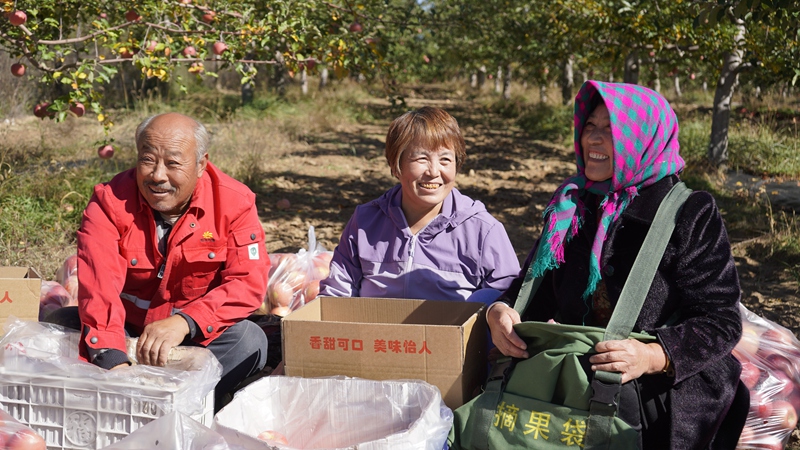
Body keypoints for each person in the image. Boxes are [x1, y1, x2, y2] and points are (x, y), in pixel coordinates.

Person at [486, 82, 747, 449]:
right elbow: (534, 288)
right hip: (575, 372)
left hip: (657, 389)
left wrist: (654, 355)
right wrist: (501, 312)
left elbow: (721, 320)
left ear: (643, 139)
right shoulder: (571, 206)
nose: (593, 140)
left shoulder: (689, 212)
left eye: (611, 131)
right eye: (590, 127)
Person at [45, 112, 270, 410]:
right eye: (148, 160)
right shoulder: (110, 201)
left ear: (201, 164)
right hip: (125, 334)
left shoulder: (234, 202)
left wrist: (185, 322)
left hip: (191, 340)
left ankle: (185, 405)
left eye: (174, 163)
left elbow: (247, 283)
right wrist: (112, 358)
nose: (158, 175)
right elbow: (99, 285)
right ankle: (133, 400)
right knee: (60, 326)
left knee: (249, 340)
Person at [320, 106, 520, 305]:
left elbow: (508, 297)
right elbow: (337, 291)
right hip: (376, 335)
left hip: (452, 336)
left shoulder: (482, 230)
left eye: (445, 160)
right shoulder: (365, 222)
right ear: (396, 165)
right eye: (421, 158)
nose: (434, 171)